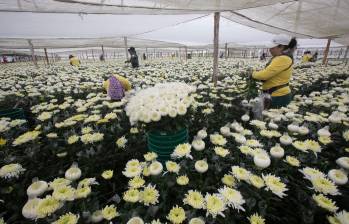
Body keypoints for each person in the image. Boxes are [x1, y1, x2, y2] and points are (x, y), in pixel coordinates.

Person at [252, 34, 297, 109]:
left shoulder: (283, 58)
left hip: (278, 95)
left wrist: (252, 73)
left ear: (281, 47)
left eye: (272, 47)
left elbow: (264, 75)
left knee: (272, 117)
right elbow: (269, 72)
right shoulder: (280, 57)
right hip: (273, 93)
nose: (270, 49)